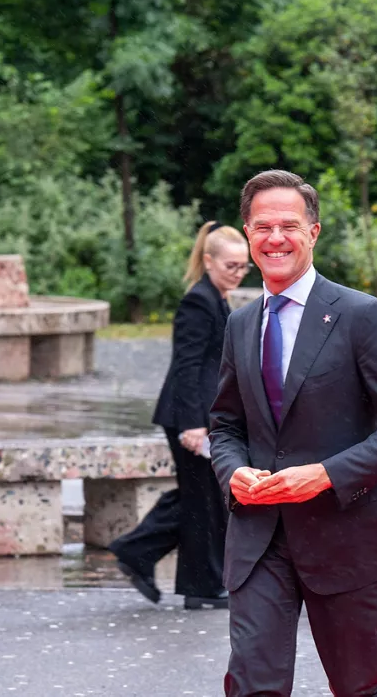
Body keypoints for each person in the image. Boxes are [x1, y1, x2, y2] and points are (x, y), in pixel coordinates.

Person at [209, 169, 377, 697]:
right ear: (247, 233)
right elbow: (225, 424)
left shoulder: (364, 316)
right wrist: (232, 470)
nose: (276, 238)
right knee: (252, 686)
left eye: (289, 225)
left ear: (313, 232)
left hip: (347, 534)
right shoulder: (240, 325)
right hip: (259, 536)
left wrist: (326, 475)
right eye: (263, 227)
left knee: (359, 687)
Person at [110, 220, 252, 610]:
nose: (238, 273)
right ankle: (195, 583)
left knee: (201, 496)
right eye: (231, 266)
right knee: (204, 498)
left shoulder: (217, 297)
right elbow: (187, 366)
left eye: (244, 267)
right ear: (209, 261)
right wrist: (194, 423)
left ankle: (141, 554)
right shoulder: (199, 301)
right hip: (188, 417)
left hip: (200, 416)